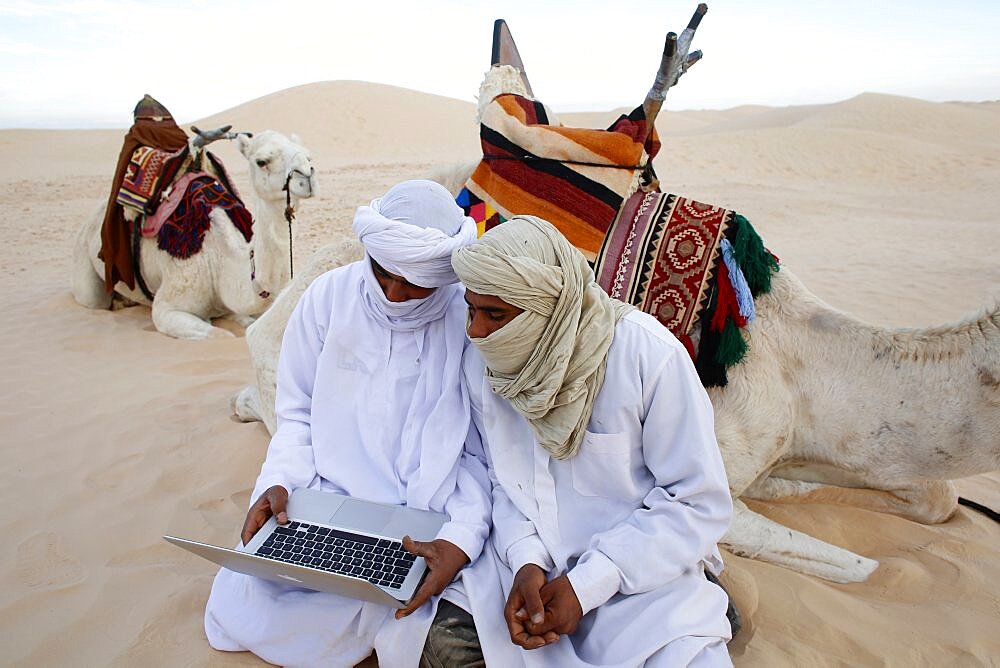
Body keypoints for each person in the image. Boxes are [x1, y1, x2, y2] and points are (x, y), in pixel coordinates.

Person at [203, 180, 493, 667]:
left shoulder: (470, 320)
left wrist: (461, 538)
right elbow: (295, 413)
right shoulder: (328, 298)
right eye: (383, 273)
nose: (395, 294)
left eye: (415, 282)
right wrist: (278, 481)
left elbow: (483, 455)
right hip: (325, 502)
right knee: (249, 600)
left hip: (425, 517)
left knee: (434, 627)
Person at [452, 215, 735, 666]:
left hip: (644, 585)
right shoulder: (484, 368)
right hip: (536, 585)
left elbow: (696, 502)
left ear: (550, 307)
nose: (475, 331)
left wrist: (587, 587)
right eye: (471, 310)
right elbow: (502, 481)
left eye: (495, 315)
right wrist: (526, 560)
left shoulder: (646, 356)